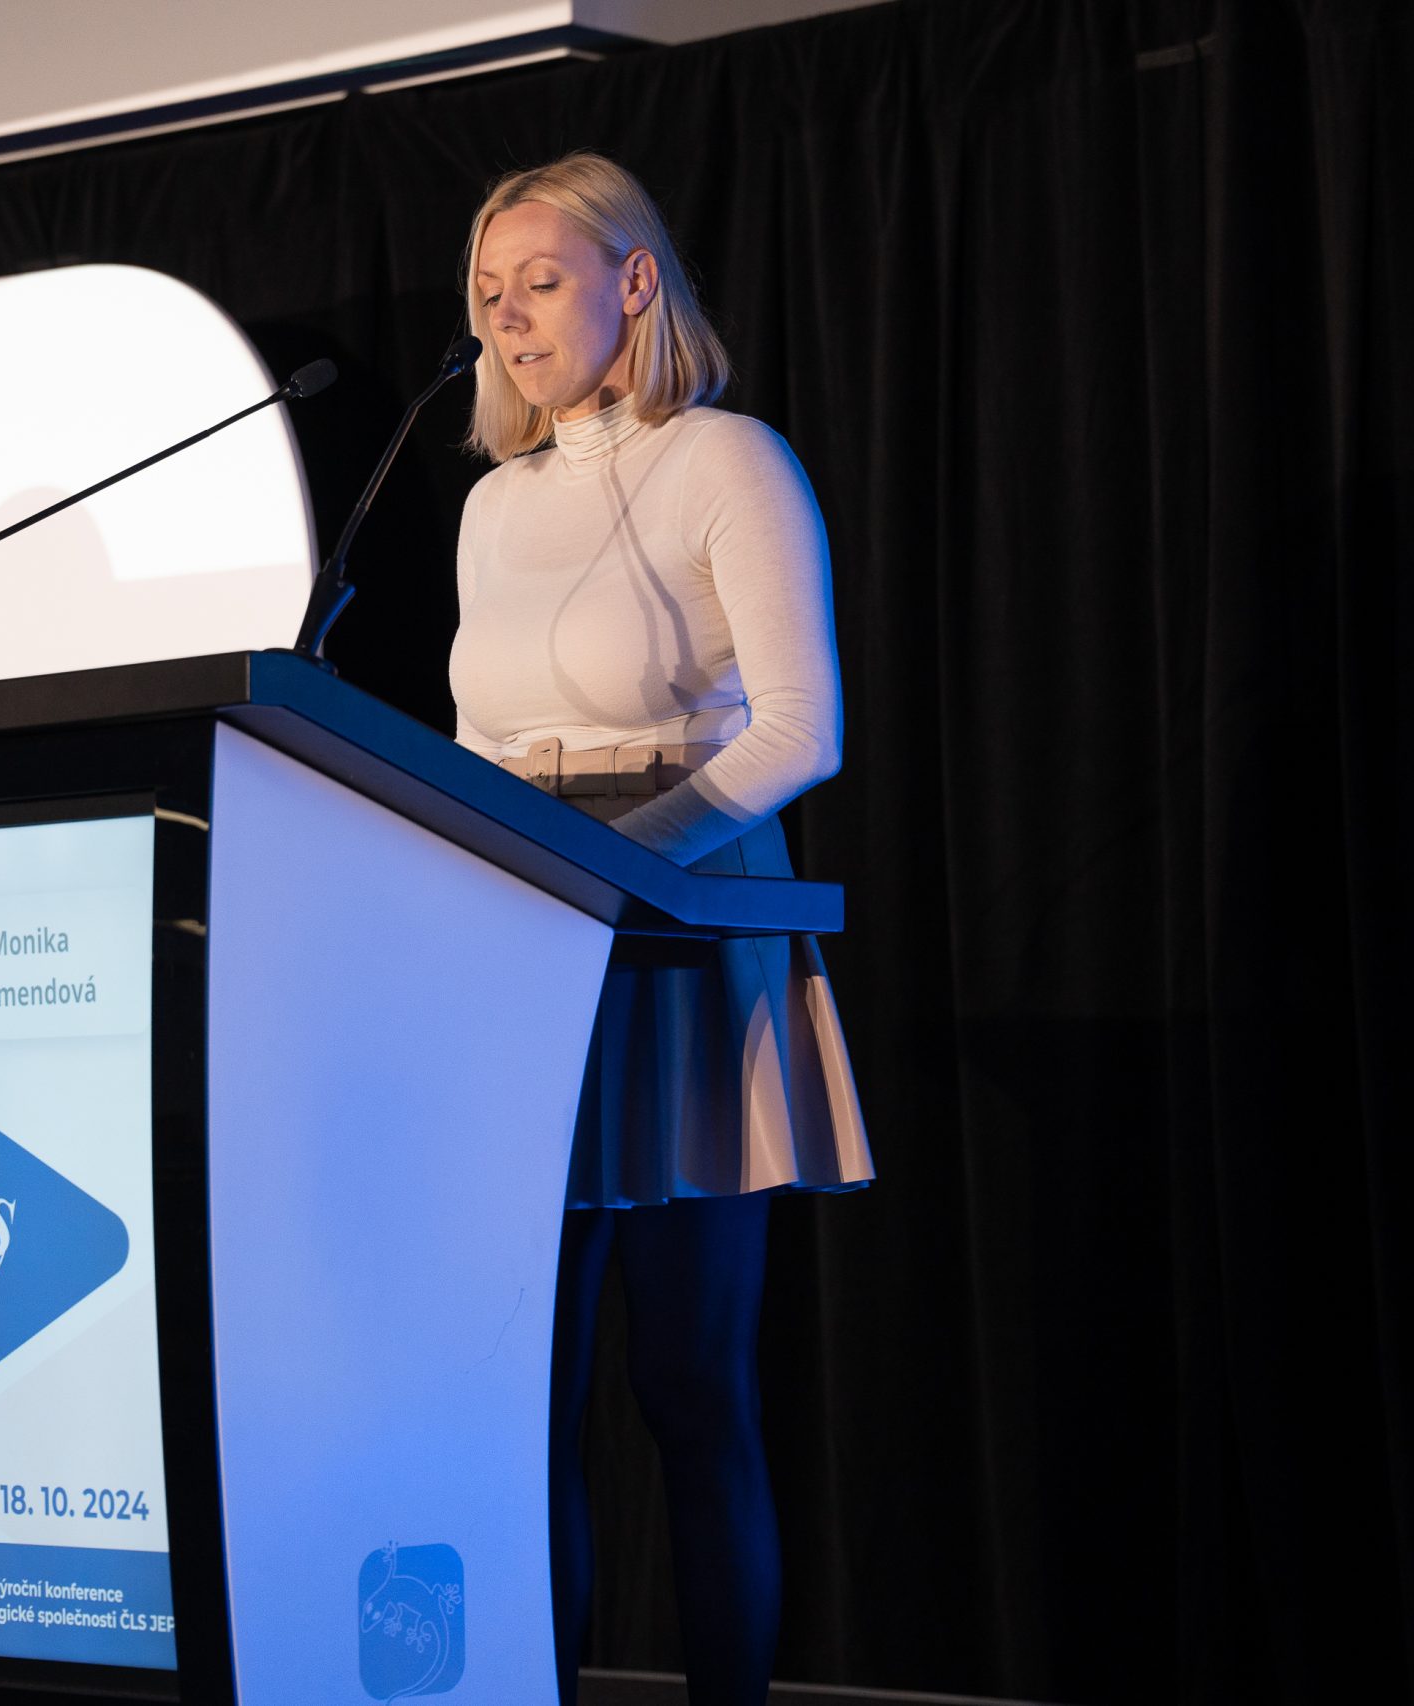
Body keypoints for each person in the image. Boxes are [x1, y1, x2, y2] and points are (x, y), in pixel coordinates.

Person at [449, 151, 874, 1705]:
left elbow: (800, 729)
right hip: (528, 943)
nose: (507, 319)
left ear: (636, 282)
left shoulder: (725, 461)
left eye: (539, 282)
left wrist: (612, 869)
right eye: (487, 295)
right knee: (525, 1400)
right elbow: (476, 745)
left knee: (691, 1385)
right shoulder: (490, 505)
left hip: (682, 932)